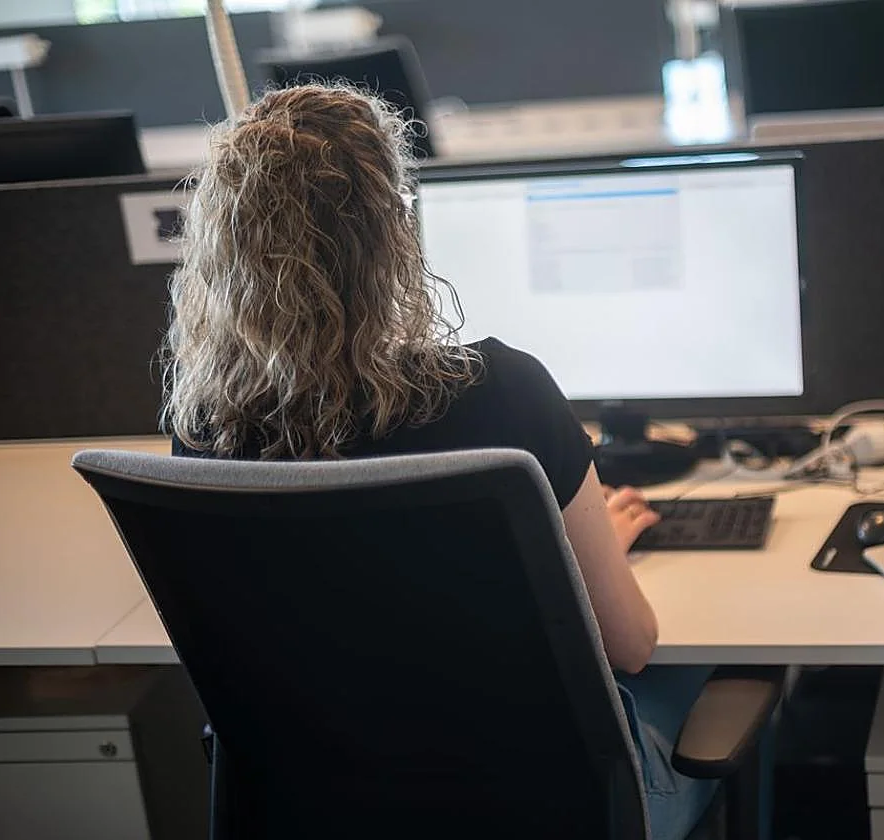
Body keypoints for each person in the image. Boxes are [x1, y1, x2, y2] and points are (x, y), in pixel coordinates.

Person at [161, 83, 717, 839]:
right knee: (720, 675)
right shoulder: (502, 392)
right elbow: (631, 642)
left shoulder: (204, 426)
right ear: (394, 231)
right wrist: (594, 550)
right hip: (546, 810)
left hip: (319, 807)